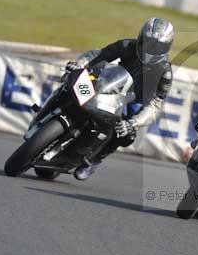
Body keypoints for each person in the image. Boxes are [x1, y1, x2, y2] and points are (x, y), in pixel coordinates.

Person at [66, 17, 174, 180]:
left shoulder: (165, 72)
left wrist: (133, 123)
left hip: (135, 99)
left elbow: (156, 103)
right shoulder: (127, 45)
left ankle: (93, 161)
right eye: (148, 42)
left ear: (167, 47)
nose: (151, 49)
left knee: (126, 135)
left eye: (158, 46)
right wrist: (81, 64)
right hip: (109, 82)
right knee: (72, 82)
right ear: (140, 37)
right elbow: (99, 54)